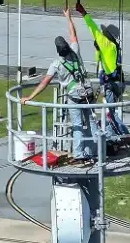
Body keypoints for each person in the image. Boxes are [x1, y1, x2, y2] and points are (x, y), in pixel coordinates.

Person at [20, 8, 99, 162]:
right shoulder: (75, 53)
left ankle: (78, 154)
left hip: (75, 97)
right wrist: (68, 17)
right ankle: (95, 150)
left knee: (77, 125)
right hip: (87, 92)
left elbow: (44, 82)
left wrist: (30, 97)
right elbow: (73, 34)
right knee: (91, 122)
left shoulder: (56, 64)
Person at [75, 0, 130, 140]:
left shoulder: (105, 45)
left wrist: (83, 13)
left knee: (110, 113)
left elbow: (93, 28)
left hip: (111, 84)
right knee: (111, 112)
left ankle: (123, 136)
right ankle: (120, 134)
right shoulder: (114, 47)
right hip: (118, 81)